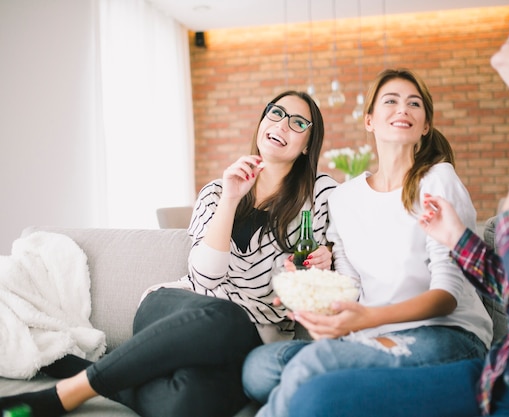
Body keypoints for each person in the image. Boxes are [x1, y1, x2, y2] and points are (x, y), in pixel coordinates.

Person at [287, 1, 509, 416]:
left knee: (314, 395)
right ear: (369, 119)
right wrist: (461, 241)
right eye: (390, 102)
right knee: (288, 378)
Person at [0, 90, 338, 417]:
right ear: (263, 120)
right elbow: (206, 277)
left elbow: (331, 258)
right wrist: (231, 198)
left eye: (298, 123)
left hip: (252, 336)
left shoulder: (321, 194)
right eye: (276, 113)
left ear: (308, 143)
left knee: (186, 407)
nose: (281, 125)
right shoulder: (218, 191)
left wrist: (327, 255)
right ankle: (65, 395)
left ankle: (86, 372)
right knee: (225, 316)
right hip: (181, 309)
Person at [242, 68, 494, 417]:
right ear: (370, 121)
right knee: (259, 368)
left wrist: (363, 321)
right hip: (371, 335)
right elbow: (351, 286)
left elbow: (447, 297)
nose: (402, 109)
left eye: (414, 103)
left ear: (425, 125)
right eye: (391, 101)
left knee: (309, 365)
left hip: (448, 337)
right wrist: (308, 294)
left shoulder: (437, 180)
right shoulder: (345, 198)